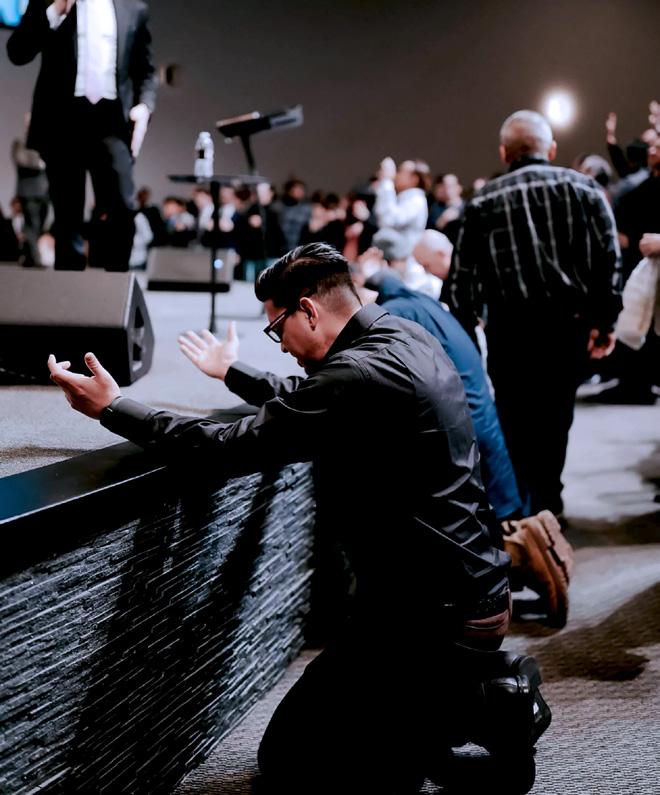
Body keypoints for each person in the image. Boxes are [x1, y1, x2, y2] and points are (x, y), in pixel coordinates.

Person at [48, 243, 545, 794]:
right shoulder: (403, 336)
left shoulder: (357, 374)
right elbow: (312, 399)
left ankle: (482, 707)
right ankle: (436, 716)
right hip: (468, 594)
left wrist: (114, 408)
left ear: (307, 310)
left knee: (290, 761)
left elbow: (228, 446)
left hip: (428, 620)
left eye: (277, 329)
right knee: (329, 741)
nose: (282, 346)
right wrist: (233, 372)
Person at [447, 110, 622, 519]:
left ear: (504, 152)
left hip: (510, 331)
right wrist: (605, 321)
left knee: (514, 419)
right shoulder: (584, 189)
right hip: (567, 326)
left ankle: (525, 506)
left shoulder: (482, 202)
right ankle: (549, 499)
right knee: (557, 417)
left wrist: (469, 334)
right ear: (552, 149)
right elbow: (608, 260)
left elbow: (460, 283)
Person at [7, 0, 157, 271]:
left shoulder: (134, 9)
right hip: (62, 120)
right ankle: (70, 289)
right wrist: (55, 10)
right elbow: (18, 52)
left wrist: (145, 107)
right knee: (67, 216)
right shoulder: (51, 2)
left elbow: (145, 71)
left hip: (112, 120)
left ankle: (116, 285)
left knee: (122, 207)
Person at [11, 113, 49, 267]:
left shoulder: (45, 142)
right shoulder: (20, 143)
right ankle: (35, 258)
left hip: (44, 192)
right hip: (28, 192)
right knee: (32, 224)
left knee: (39, 225)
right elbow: (22, 160)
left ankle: (28, 256)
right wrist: (41, 162)